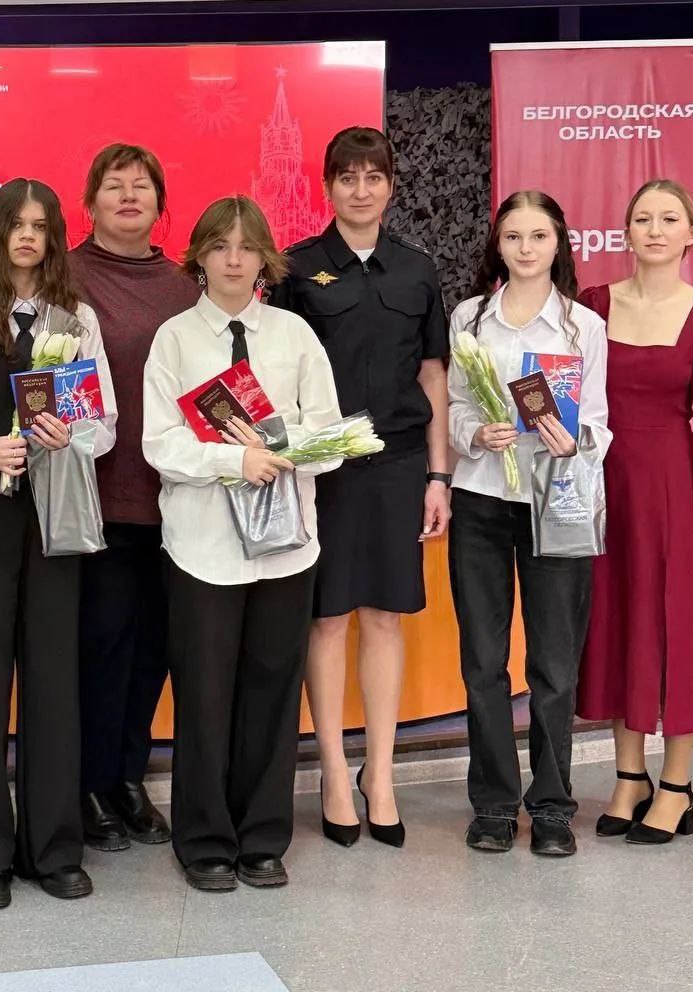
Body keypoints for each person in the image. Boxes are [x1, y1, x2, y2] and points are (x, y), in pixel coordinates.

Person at [143, 196, 343, 892]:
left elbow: (332, 439)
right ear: (198, 256)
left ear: (266, 259)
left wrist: (276, 443)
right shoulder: (174, 340)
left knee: (272, 691)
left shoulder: (294, 335)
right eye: (220, 246)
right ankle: (203, 841)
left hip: (287, 548)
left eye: (247, 246)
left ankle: (262, 838)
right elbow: (159, 444)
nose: (234, 259)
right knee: (203, 695)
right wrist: (234, 460)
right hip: (201, 547)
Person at [0, 178, 117, 909]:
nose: (29, 237)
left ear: (55, 237)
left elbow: (102, 423)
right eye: (17, 224)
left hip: (54, 509)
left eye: (41, 226)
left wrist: (70, 436)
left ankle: (54, 847)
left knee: (52, 672)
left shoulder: (77, 318)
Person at [270, 126, 449, 848]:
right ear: (328, 186)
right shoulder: (296, 268)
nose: (361, 189)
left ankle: (381, 775)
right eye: (348, 176)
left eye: (374, 176)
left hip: (400, 466)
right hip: (325, 470)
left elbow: (432, 375)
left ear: (391, 187)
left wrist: (439, 475)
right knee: (326, 620)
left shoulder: (418, 270)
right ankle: (335, 775)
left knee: (383, 618)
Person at [577, 180, 693, 845]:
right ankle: (630, 777)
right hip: (605, 487)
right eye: (644, 219)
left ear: (692, 234)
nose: (655, 229)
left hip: (680, 491)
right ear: (625, 232)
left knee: (683, 628)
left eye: (669, 219)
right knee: (616, 623)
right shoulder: (593, 306)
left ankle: (677, 786)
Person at [447, 190, 610, 858]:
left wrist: (573, 441)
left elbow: (598, 422)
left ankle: (551, 807)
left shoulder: (582, 326)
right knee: (483, 662)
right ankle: (492, 804)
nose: (525, 248)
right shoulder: (469, 318)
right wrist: (474, 433)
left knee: (553, 663)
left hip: (555, 500)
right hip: (481, 501)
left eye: (538, 236)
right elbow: (454, 407)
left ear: (558, 243)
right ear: (498, 244)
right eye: (513, 236)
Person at [68, 143, 197, 853]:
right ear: (89, 202)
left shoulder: (186, 286)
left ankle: (127, 777)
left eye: (141, 186)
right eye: (113, 185)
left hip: (176, 500)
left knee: (154, 649)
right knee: (102, 644)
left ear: (159, 203)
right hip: (96, 499)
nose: (127, 196)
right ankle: (88, 783)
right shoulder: (65, 277)